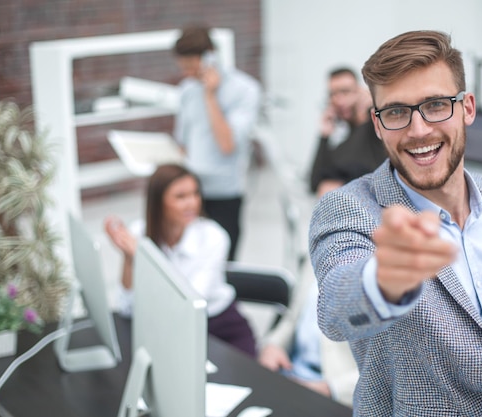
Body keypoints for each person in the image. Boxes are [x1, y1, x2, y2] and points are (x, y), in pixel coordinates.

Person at [309, 30, 482, 416]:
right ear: (377, 124)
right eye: (396, 112)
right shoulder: (347, 209)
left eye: (435, 105)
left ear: (468, 108)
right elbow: (334, 309)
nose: (418, 130)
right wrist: (383, 281)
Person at [104, 164, 256, 357]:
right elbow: (127, 307)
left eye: (195, 194)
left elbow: (189, 303)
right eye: (181, 197)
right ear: (158, 201)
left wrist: (145, 258)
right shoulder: (139, 233)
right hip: (167, 329)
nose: (192, 203)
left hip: (219, 328)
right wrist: (128, 257)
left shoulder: (214, 237)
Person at [172, 25, 263, 260]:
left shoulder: (245, 90)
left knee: (223, 264)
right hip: (192, 192)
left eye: (191, 67)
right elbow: (182, 142)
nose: (188, 74)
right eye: (184, 68)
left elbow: (227, 143)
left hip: (225, 193)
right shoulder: (186, 90)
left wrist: (210, 95)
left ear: (209, 57)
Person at [257, 268, 358, 407]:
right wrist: (273, 345)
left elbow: (390, 371)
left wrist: (330, 389)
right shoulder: (320, 251)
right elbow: (293, 318)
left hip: (339, 396)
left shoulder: (386, 271)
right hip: (291, 375)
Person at [309, 67, 387, 198]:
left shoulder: (377, 128)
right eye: (332, 94)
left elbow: (360, 165)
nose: (339, 100)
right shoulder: (343, 142)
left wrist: (367, 112)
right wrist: (324, 136)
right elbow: (314, 183)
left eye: (345, 92)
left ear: (360, 92)